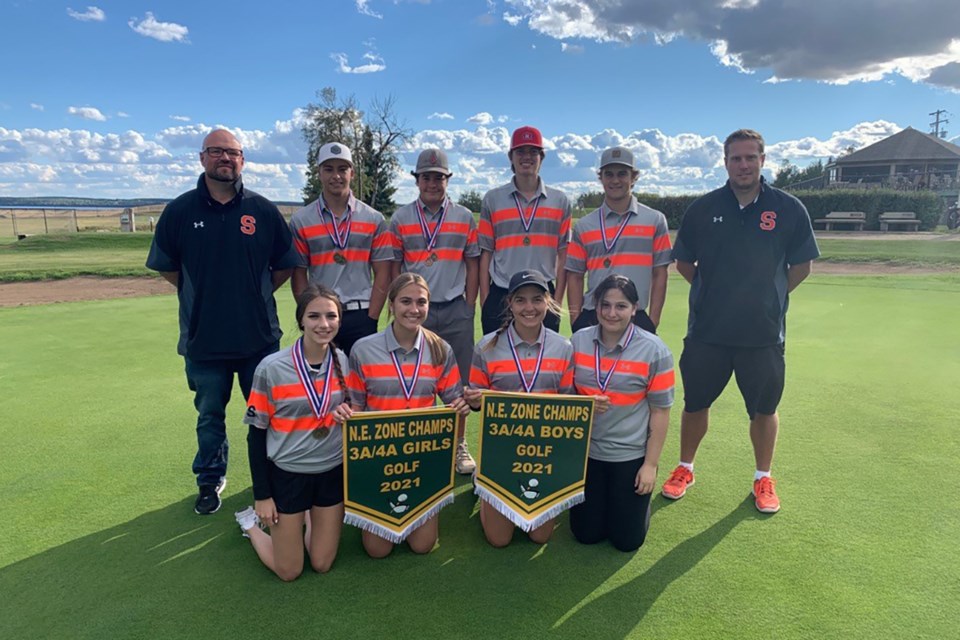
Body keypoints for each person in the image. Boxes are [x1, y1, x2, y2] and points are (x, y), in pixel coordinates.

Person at [662, 128, 820, 514]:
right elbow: (684, 262)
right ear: (726, 161)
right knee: (696, 402)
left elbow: (801, 266)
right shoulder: (703, 208)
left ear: (763, 161)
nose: (744, 164)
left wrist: (770, 297)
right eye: (736, 158)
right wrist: (714, 293)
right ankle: (685, 468)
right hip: (708, 332)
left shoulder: (788, 208)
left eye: (751, 157)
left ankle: (762, 476)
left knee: (764, 409)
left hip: (763, 334)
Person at [146, 129, 298, 515]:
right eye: (217, 152)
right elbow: (169, 268)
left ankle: (273, 479)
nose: (225, 159)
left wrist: (252, 291)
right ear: (202, 158)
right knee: (210, 416)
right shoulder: (180, 211)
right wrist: (205, 296)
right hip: (203, 339)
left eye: (232, 153)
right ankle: (210, 480)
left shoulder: (262, 210)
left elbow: (284, 264)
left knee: (266, 417)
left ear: (243, 160)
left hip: (258, 339)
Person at [347, 273, 472, 558]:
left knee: (422, 546)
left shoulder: (440, 349)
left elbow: (454, 400)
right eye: (405, 301)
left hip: (422, 458)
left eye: (421, 302)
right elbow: (355, 406)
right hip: (379, 457)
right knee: (377, 550)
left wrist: (461, 405)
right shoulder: (363, 350)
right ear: (391, 305)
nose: (414, 309)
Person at [235, 285, 353, 581]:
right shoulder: (271, 368)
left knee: (322, 563)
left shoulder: (344, 361)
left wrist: (348, 413)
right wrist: (262, 495)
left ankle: (310, 514)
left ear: (339, 320)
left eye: (331, 316)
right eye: (314, 316)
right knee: (289, 571)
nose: (323, 324)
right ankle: (250, 524)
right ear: (301, 320)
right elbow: (256, 435)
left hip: (330, 472)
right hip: (287, 476)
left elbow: (351, 410)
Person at [465, 270, 575, 547]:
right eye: (521, 300)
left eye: (537, 299)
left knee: (540, 536)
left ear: (548, 302)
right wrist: (475, 399)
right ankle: (483, 480)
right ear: (510, 304)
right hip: (501, 453)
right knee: (499, 540)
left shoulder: (563, 348)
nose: (529, 308)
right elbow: (477, 402)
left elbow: (568, 402)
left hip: (544, 453)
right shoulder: (486, 347)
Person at [387, 148, 480, 474]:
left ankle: (458, 445)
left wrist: (470, 305)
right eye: (426, 177)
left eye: (438, 177)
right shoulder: (400, 218)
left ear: (447, 179)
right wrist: (395, 307)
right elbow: (395, 267)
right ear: (417, 180)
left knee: (457, 386)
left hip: (455, 308)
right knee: (411, 380)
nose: (432, 183)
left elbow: (473, 263)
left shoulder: (464, 216)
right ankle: (418, 445)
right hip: (414, 313)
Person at [570, 275, 674, 551]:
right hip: (586, 453)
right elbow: (565, 396)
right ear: (595, 306)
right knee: (586, 534)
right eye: (605, 305)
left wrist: (650, 465)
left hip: (628, 454)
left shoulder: (654, 350)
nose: (611, 313)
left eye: (621, 306)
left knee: (626, 541)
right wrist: (584, 404)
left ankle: (635, 507)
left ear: (635, 308)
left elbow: (661, 412)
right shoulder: (578, 342)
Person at [289, 142, 393, 355]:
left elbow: (383, 271)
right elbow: (298, 272)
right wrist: (307, 313)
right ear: (319, 173)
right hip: (321, 314)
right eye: (329, 169)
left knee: (361, 382)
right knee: (322, 381)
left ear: (352, 173)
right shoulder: (302, 220)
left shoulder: (373, 219)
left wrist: (372, 315)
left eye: (342, 169)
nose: (336, 176)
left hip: (361, 313)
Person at [566, 146, 672, 334]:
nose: (615, 180)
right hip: (593, 314)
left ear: (634, 177)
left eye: (622, 174)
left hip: (636, 315)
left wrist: (652, 320)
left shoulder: (655, 220)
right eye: (609, 174)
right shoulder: (584, 225)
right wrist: (576, 320)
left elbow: (660, 273)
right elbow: (574, 275)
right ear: (601, 178)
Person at [478, 126, 571, 334]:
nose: (527, 157)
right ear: (511, 157)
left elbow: (563, 254)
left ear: (542, 157)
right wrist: (485, 300)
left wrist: (556, 301)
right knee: (497, 363)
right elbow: (486, 253)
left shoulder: (560, 201)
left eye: (533, 152)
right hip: (501, 293)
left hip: (543, 293)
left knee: (543, 363)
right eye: (520, 151)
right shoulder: (493, 199)